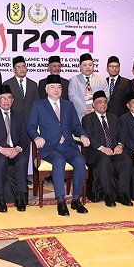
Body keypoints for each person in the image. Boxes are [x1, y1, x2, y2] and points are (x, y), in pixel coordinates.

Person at [28, 75, 90, 216]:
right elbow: (31, 127)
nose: (56, 90)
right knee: (59, 160)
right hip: (49, 147)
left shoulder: (68, 105)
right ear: (46, 89)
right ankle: (61, 201)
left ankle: (76, 199)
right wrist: (37, 137)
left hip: (68, 145)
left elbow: (76, 125)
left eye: (59, 87)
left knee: (80, 160)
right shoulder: (38, 105)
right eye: (52, 87)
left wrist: (82, 135)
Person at [82, 91, 133, 207]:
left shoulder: (114, 118)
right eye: (99, 102)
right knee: (104, 160)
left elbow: (122, 133)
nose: (103, 104)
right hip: (97, 151)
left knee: (126, 160)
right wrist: (102, 148)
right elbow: (89, 136)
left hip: (114, 150)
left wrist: (120, 145)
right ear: (93, 105)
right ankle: (108, 194)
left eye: (105, 102)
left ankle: (122, 194)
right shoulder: (87, 119)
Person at [0, 85, 30, 212]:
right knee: (2, 160)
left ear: (13, 100)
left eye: (9, 98)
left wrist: (17, 149)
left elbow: (24, 139)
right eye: (3, 98)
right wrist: (1, 149)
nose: (6, 101)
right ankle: (0, 197)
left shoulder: (19, 116)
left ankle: (20, 197)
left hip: (14, 150)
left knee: (22, 160)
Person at [69, 53, 109, 121]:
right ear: (80, 66)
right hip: (81, 116)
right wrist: (84, 110)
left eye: (90, 65)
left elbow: (106, 96)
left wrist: (96, 110)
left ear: (93, 66)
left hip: (98, 115)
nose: (88, 67)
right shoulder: (74, 80)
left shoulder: (101, 80)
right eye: (85, 65)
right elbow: (72, 97)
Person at [4, 56, 39, 124]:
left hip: (30, 120)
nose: (21, 69)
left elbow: (37, 103)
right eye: (18, 67)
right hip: (13, 120)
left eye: (23, 66)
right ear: (14, 70)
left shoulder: (33, 84)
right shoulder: (7, 84)